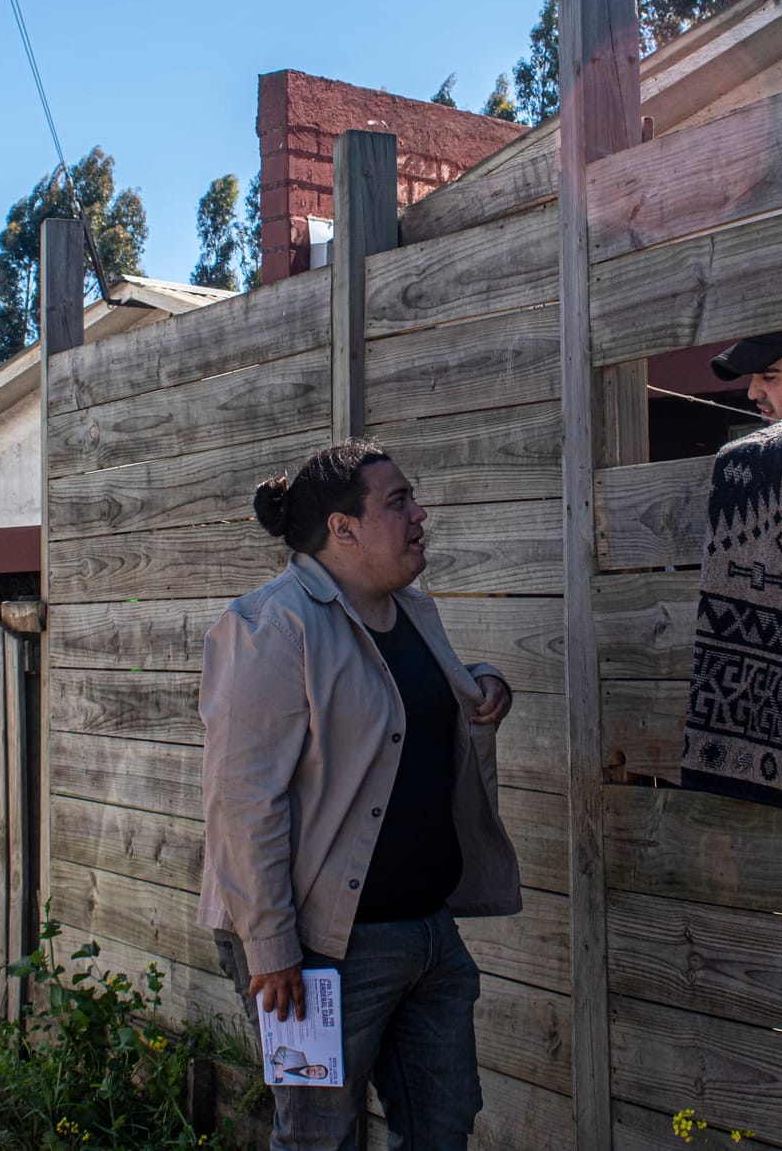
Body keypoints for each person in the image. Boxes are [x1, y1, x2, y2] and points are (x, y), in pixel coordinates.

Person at [199, 438, 522, 1150]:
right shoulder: (271, 625)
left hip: (429, 935)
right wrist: (271, 948)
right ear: (342, 527)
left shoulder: (410, 611)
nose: (420, 513)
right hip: (315, 952)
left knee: (443, 1127)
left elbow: (389, 709)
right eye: (398, 501)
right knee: (319, 1138)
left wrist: (480, 680)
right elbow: (241, 800)